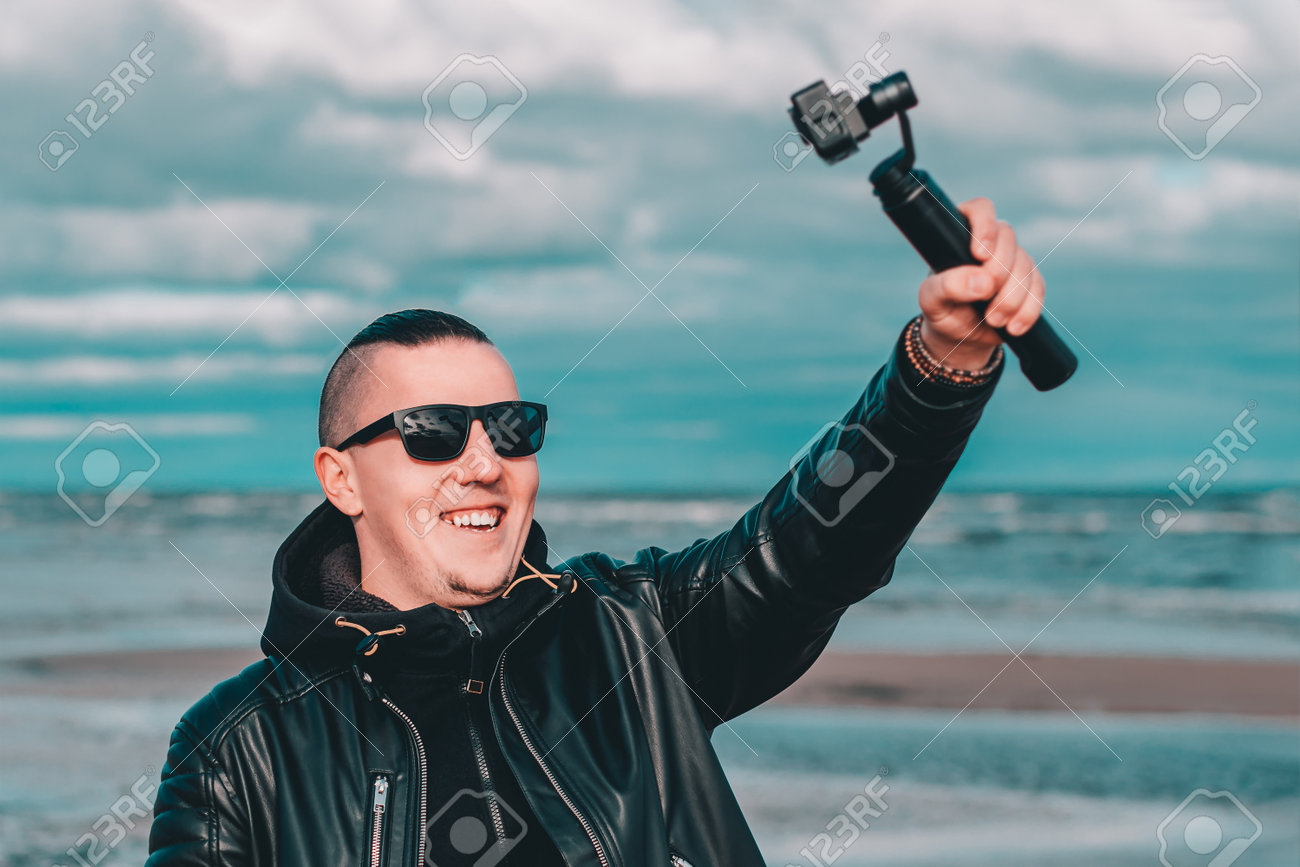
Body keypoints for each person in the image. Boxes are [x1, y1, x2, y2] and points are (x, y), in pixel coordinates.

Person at [146, 198, 1043, 866]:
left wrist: (939, 367)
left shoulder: (630, 634)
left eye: (510, 427)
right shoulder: (236, 748)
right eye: (430, 432)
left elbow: (812, 546)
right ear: (340, 477)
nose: (482, 461)